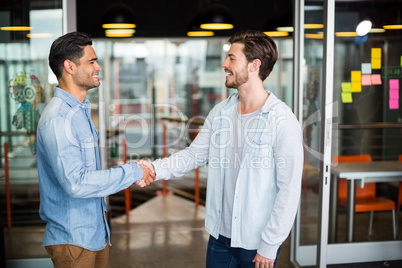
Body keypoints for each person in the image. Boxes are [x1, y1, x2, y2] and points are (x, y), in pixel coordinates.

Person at [142, 30, 303, 268]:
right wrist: (153, 168)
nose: (224, 64)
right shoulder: (221, 112)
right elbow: (194, 155)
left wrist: (270, 245)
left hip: (256, 241)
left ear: (254, 65)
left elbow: (288, 189)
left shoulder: (281, 119)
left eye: (232, 58)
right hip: (220, 236)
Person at [37, 31, 155, 268]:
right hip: (73, 241)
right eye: (91, 61)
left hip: (94, 234)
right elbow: (76, 183)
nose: (98, 67)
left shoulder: (79, 111)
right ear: (69, 66)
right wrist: (133, 171)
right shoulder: (59, 118)